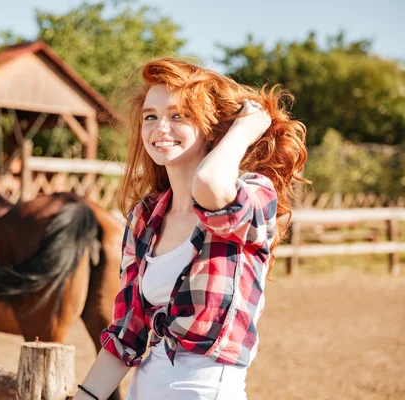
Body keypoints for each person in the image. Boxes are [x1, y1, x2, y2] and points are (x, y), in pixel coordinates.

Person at [74, 58, 308, 400]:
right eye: (150, 116)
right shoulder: (145, 217)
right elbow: (127, 334)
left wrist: (242, 130)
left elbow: (209, 183)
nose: (159, 128)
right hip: (145, 389)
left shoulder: (254, 194)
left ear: (213, 128)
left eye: (178, 115)